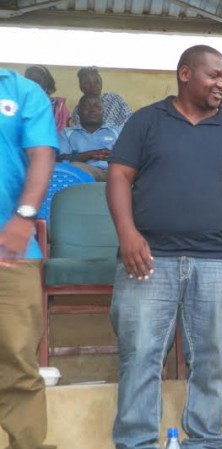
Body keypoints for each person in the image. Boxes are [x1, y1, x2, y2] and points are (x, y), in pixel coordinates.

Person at [106, 45, 222, 449]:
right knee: (141, 357)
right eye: (214, 75)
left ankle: (206, 441)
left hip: (216, 262)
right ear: (184, 74)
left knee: (212, 362)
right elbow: (119, 177)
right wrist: (126, 232)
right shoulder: (146, 121)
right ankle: (136, 443)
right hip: (148, 259)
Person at [0, 67, 57, 449]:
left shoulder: (22, 91)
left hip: (10, 252)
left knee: (17, 362)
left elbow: (42, 155)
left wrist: (24, 216)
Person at [58, 93, 121, 181]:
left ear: (103, 110)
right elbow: (61, 158)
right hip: (84, 172)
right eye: (87, 106)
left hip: (113, 172)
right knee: (75, 167)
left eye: (97, 106)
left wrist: (115, 155)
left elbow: (130, 155)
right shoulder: (66, 133)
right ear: (79, 111)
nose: (92, 109)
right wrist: (89, 154)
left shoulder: (117, 131)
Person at [24, 64, 71, 131]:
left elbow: (66, 131)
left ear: (47, 82)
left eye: (39, 79)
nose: (36, 84)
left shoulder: (59, 106)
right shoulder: (21, 104)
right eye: (32, 80)